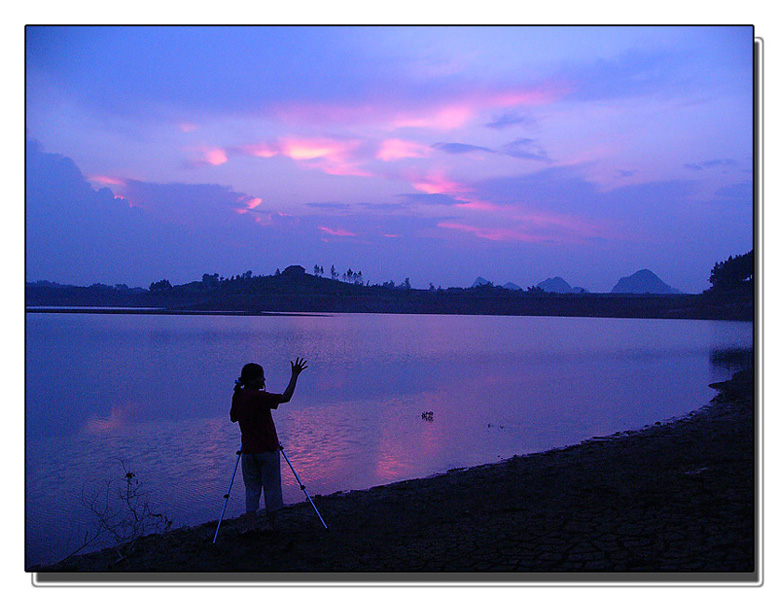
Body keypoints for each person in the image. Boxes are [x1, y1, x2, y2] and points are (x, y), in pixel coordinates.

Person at [230, 357, 307, 530]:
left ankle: (251, 526)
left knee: (252, 489)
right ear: (253, 379)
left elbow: (233, 417)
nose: (264, 380)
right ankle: (271, 525)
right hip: (267, 449)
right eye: (261, 377)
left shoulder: (239, 395)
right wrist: (294, 376)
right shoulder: (259, 396)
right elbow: (285, 398)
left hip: (248, 451)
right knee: (271, 487)